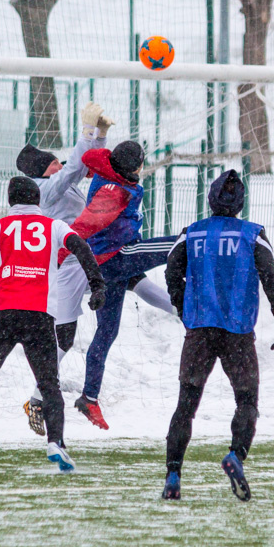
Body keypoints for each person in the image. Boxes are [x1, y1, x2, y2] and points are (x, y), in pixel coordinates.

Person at [16, 104, 175, 436]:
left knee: (132, 280)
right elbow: (76, 165)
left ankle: (183, 309)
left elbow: (101, 163)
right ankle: (35, 398)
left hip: (90, 256)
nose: (59, 163)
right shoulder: (49, 188)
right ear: (45, 170)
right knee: (65, 339)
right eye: (53, 161)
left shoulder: (56, 184)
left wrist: (100, 135)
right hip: (69, 265)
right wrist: (89, 132)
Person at [0, 177, 106, 473]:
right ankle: (56, 442)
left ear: (10, 201)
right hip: (38, 316)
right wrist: (97, 285)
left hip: (3, 315)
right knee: (49, 385)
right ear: (38, 201)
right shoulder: (54, 226)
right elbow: (81, 248)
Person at [162, 169, 274, 501]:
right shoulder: (253, 233)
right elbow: (271, 277)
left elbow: (171, 269)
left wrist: (181, 306)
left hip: (200, 330)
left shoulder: (191, 233)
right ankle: (235, 456)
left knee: (186, 405)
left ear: (210, 198)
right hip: (237, 333)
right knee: (246, 401)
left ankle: (173, 475)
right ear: (240, 203)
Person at [61, 140, 178, 430]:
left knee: (107, 332)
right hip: (118, 255)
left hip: (107, 267)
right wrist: (62, 251)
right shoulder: (115, 192)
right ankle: (197, 295)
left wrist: (97, 133)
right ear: (135, 166)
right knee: (182, 242)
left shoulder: (106, 165)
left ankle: (89, 397)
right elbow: (86, 224)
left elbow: (92, 154)